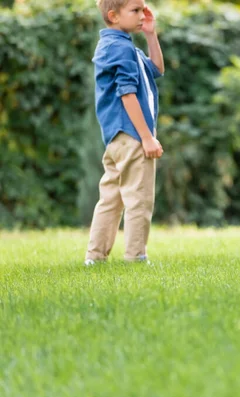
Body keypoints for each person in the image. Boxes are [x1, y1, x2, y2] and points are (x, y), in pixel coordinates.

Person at [85, 0, 165, 265]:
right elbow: (127, 93)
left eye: (143, 9)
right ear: (113, 16)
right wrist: (146, 137)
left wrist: (151, 34)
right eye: (135, 10)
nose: (142, 15)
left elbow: (156, 71)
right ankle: (136, 257)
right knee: (139, 199)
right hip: (132, 135)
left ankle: (95, 258)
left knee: (110, 199)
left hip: (116, 137)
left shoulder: (119, 45)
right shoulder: (121, 49)